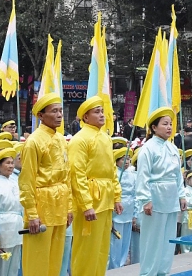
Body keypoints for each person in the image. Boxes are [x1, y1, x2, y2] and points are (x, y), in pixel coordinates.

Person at [19, 93, 73, 276]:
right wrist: (32, 214)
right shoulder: (33, 142)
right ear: (41, 115)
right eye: (54, 111)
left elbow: (67, 176)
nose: (59, 115)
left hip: (60, 205)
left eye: (61, 111)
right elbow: (27, 180)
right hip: (41, 206)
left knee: (55, 261)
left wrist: (69, 207)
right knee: (37, 261)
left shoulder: (61, 140)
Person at [68, 96, 122, 276]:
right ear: (85, 117)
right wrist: (86, 204)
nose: (102, 115)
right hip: (90, 199)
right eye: (97, 112)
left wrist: (116, 196)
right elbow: (77, 173)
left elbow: (112, 170)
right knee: (86, 250)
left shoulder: (106, 138)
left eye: (102, 111)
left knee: (101, 248)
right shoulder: (80, 139)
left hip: (105, 198)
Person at [136, 107, 186, 275]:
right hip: (155, 197)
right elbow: (142, 176)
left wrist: (182, 194)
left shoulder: (172, 148)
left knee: (167, 241)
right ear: (154, 127)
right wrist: (145, 200)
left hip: (171, 198)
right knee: (152, 241)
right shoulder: (148, 148)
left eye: (171, 124)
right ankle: (148, 273)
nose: (169, 127)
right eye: (165, 124)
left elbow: (178, 175)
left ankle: (163, 272)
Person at [0, 148, 23, 276]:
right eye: (7, 163)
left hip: (17, 226)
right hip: (2, 227)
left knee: (13, 265)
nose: (11, 166)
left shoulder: (15, 182)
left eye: (12, 163)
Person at [108, 148, 136, 270]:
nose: (127, 161)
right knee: (116, 241)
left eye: (128, 158)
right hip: (118, 209)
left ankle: (122, 264)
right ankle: (114, 267)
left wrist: (135, 213)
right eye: (123, 159)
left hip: (129, 209)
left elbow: (135, 193)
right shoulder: (114, 174)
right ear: (117, 161)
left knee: (126, 240)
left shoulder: (132, 174)